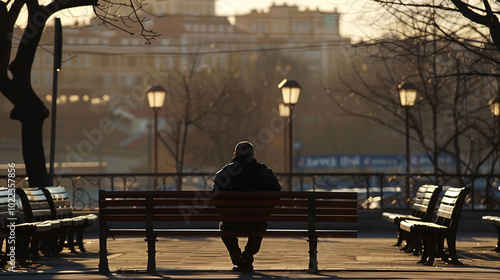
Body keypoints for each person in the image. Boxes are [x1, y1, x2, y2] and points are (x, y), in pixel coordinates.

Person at [212, 141, 281, 273]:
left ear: (235, 154)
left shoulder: (224, 173)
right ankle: (247, 256)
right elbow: (277, 193)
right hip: (256, 223)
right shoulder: (264, 173)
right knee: (260, 225)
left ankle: (235, 253)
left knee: (223, 226)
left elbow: (215, 198)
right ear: (253, 155)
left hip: (231, 223)